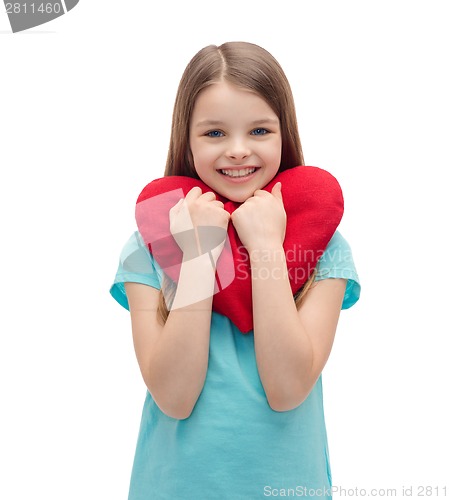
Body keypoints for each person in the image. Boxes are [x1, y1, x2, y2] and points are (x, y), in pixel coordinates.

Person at [110, 41, 361, 500]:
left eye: (260, 130)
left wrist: (265, 249)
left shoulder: (325, 247)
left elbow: (286, 389)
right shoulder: (149, 243)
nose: (239, 151)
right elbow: (174, 396)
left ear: (285, 134)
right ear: (185, 140)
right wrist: (200, 256)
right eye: (214, 134)